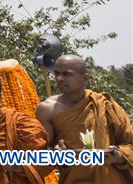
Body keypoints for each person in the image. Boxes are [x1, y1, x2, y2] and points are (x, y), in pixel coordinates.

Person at [36, 54, 133, 182]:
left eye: (67, 74)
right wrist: (56, 154)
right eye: (57, 73)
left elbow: (130, 144)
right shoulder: (47, 109)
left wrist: (118, 155)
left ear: (85, 78)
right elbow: (41, 153)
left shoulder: (104, 104)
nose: (59, 78)